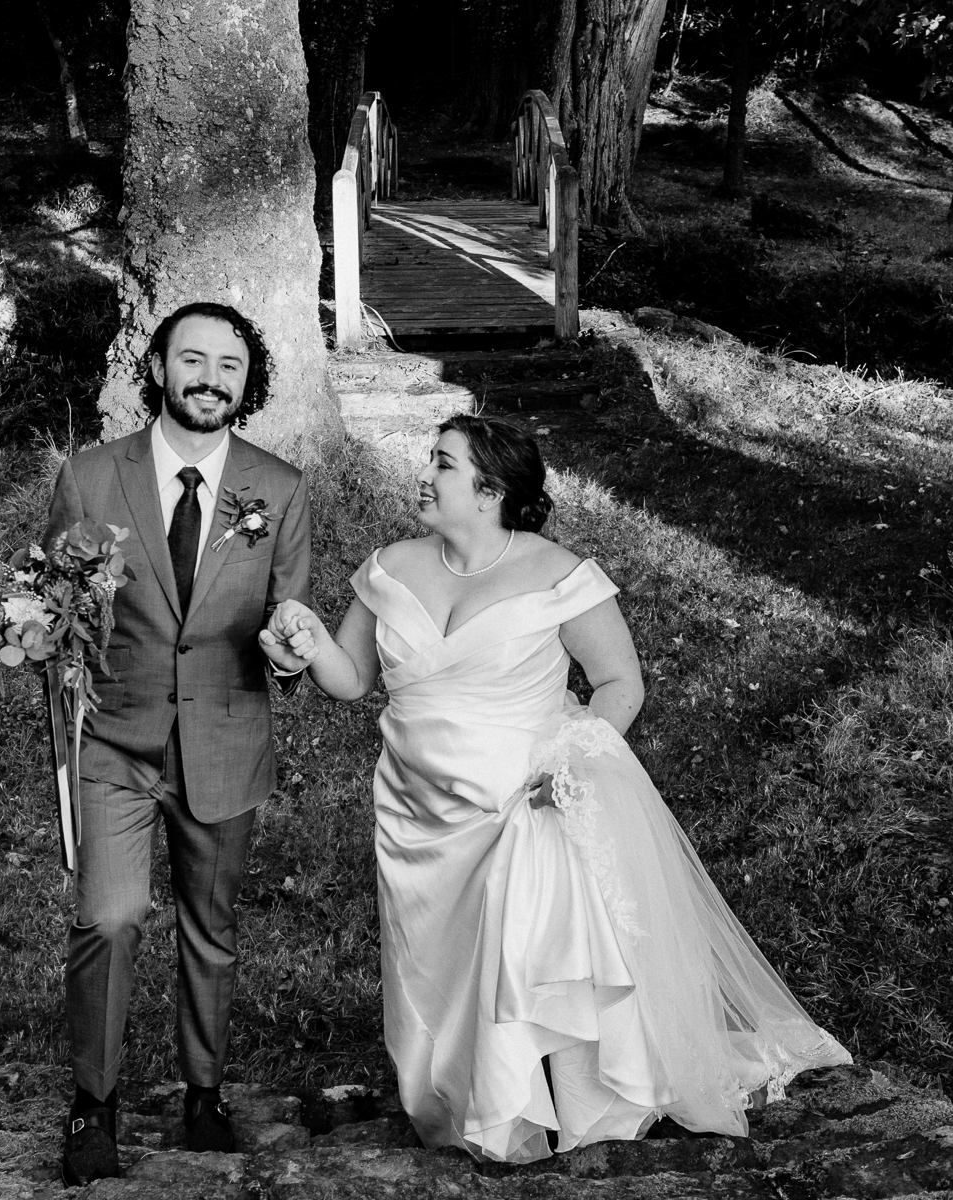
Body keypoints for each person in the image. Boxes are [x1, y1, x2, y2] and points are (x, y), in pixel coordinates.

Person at [269, 416, 849, 1162]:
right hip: (414, 811)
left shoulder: (558, 574)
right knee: (436, 964)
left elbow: (619, 684)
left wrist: (569, 764)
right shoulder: (389, 566)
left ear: (490, 491)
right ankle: (458, 1096)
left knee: (521, 960)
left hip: (520, 802)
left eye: (442, 464)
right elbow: (349, 682)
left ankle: (545, 1111)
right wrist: (310, 641)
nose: (425, 474)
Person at [43, 301, 314, 1186]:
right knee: (110, 917)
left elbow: (290, 622)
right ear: (157, 368)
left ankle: (204, 1093)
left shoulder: (278, 488)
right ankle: (95, 1101)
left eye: (229, 366)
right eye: (191, 359)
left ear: (247, 382)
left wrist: (287, 656)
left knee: (212, 927)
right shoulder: (89, 477)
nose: (210, 378)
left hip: (225, 736)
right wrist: (35, 634)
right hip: (115, 741)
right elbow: (59, 611)